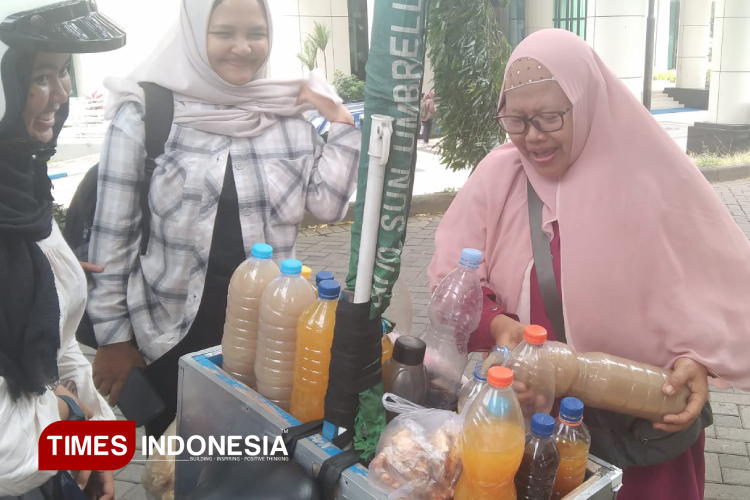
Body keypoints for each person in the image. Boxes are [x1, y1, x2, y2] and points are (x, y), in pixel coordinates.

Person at [428, 29, 750, 500]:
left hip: (638, 425)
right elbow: (453, 281)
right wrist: (498, 326)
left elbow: (716, 290)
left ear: (588, 103)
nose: (532, 136)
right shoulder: (500, 177)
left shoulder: (656, 180)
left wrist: (695, 359)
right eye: (516, 120)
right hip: (535, 427)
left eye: (550, 117)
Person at [88, 0, 361, 438]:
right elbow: (112, 237)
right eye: (224, 33)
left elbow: (329, 206)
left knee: (253, 462)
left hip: (269, 339)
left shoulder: (287, 114)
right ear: (196, 33)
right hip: (169, 335)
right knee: (180, 469)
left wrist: (342, 119)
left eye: (256, 32)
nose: (243, 47)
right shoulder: (147, 113)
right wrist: (113, 337)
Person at [0, 1, 126, 498]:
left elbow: (59, 339)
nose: (60, 94)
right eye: (41, 75)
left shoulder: (21, 192)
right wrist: (73, 415)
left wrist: (95, 442)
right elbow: (7, 454)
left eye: (62, 72)